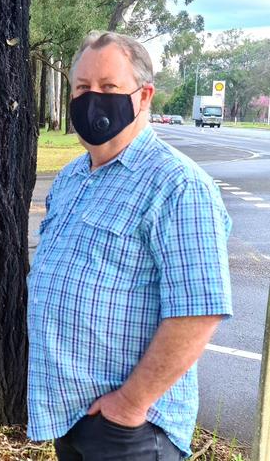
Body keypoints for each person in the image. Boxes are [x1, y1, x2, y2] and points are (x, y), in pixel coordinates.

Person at [27, 31, 232, 460]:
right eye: (82, 88)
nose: (92, 98)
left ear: (144, 97)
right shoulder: (70, 179)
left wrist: (131, 404)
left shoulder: (178, 185)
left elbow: (199, 310)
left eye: (109, 88)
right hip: (72, 415)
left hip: (131, 430)